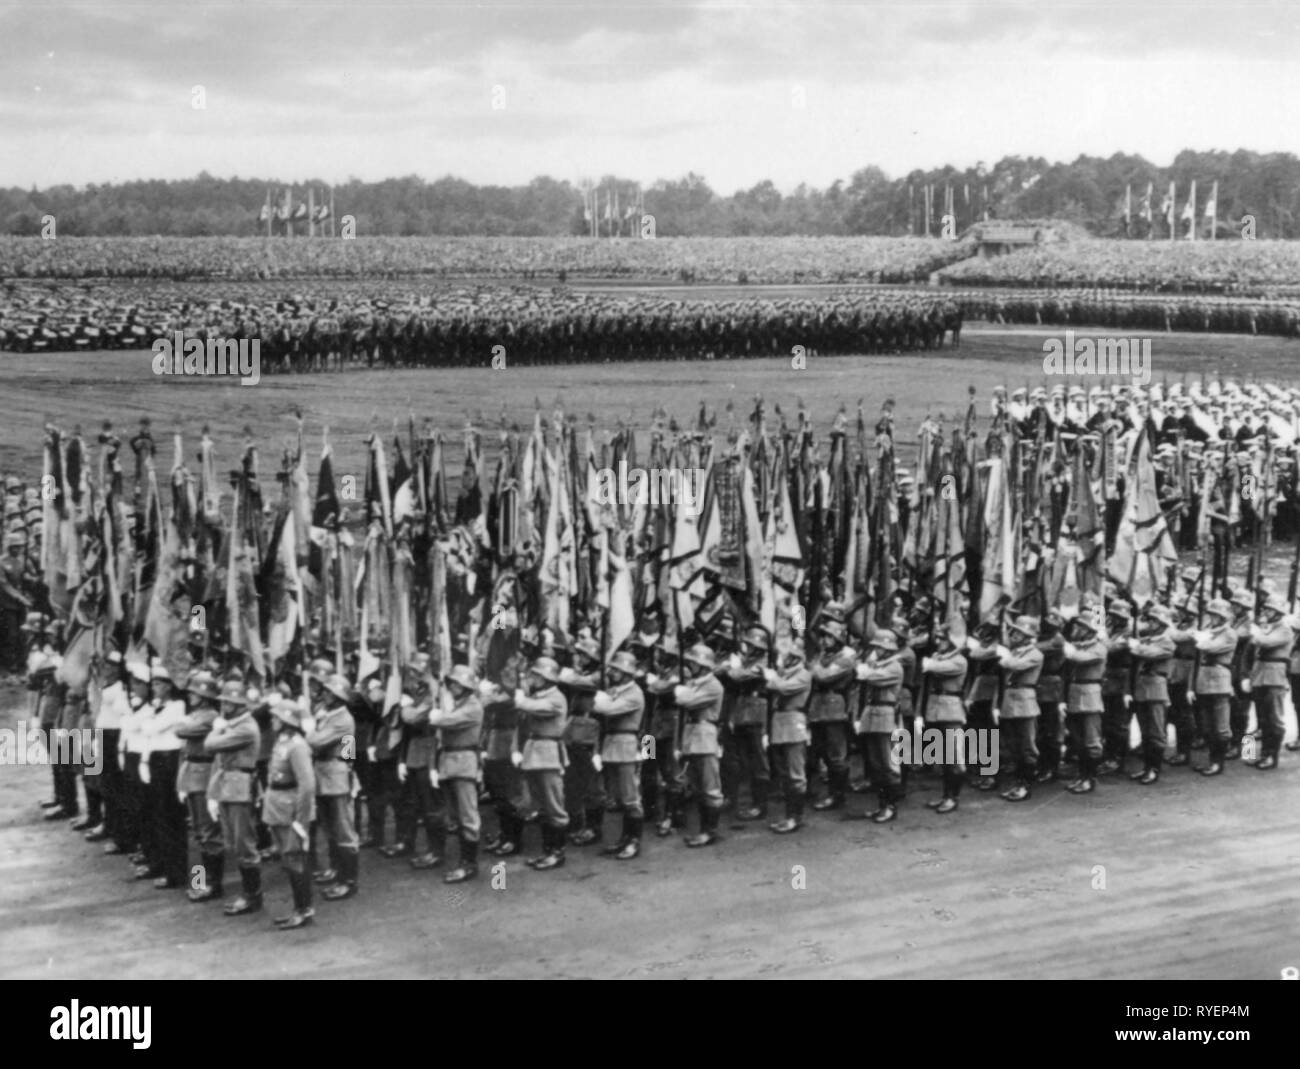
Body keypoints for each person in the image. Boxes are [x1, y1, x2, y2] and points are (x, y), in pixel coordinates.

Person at [204, 679, 264, 915]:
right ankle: (204, 883)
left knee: (242, 843)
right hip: (226, 783)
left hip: (239, 785)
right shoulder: (233, 724)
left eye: (229, 701)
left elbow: (209, 745)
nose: (224, 705)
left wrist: (348, 764)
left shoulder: (245, 727)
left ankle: (251, 895)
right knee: (225, 840)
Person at [262, 695, 317, 930]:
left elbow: (307, 785)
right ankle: (300, 907)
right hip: (279, 804)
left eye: (276, 717)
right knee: (289, 858)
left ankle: (305, 909)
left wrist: (301, 821)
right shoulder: (282, 741)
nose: (272, 720)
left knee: (296, 858)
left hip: (294, 805)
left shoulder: (297, 745)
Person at [306, 665, 361, 900]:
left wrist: (308, 729)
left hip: (333, 774)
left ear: (339, 697)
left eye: (330, 692)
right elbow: (349, 750)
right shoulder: (328, 714)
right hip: (326, 772)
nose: (324, 695)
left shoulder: (342, 719)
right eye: (325, 691)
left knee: (343, 829)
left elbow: (317, 742)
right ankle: (338, 872)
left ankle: (348, 880)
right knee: (330, 828)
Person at [513, 655, 570, 870]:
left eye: (536, 675)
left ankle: (557, 853)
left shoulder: (556, 698)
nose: (532, 678)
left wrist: (521, 698)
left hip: (548, 754)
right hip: (535, 752)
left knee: (554, 804)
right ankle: (548, 851)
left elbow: (535, 707)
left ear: (546, 677)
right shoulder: (537, 695)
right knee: (543, 805)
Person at [430, 664, 485, 883]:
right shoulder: (458, 704)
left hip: (463, 764)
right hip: (451, 763)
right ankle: (465, 860)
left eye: (457, 683)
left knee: (468, 816)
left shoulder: (472, 707)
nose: (453, 686)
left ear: (467, 686)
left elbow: (447, 722)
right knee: (456, 816)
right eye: (451, 683)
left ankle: (469, 864)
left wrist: (436, 715)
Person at [173, 669, 224, 901]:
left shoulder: (210, 716)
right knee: (198, 832)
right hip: (191, 772)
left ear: (204, 696)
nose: (190, 696)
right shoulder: (197, 715)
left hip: (203, 774)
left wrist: (183, 721)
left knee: (207, 832)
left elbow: (181, 729)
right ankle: (199, 881)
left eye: (194, 692)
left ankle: (212, 883)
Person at [136, 663, 188, 889]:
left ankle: (183, 876)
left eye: (159, 684)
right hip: (157, 761)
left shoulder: (177, 707)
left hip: (170, 762)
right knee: (159, 817)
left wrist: (147, 719)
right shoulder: (156, 706)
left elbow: (150, 729)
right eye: (154, 683)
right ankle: (164, 867)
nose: (154, 688)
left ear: (169, 686)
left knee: (173, 820)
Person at [591, 650, 646, 859]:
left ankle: (634, 841)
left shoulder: (634, 693)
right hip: (612, 745)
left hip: (627, 746)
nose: (612, 672)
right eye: (612, 668)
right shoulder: (616, 690)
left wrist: (599, 698)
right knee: (620, 798)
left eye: (617, 669)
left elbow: (608, 710)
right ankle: (625, 838)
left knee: (631, 798)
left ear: (627, 673)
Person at [717, 627, 773, 822]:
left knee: (757, 759)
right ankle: (731, 798)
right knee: (735, 757)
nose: (745, 647)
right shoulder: (743, 661)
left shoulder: (763, 663)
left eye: (749, 645)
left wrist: (731, 668)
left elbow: (737, 676)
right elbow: (718, 671)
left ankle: (760, 804)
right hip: (740, 711)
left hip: (755, 712)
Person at [674, 643, 726, 847]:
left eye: (693, 663)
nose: (689, 666)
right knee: (694, 786)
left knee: (709, 787)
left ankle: (709, 831)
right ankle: (698, 827)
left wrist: (681, 692)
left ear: (703, 666)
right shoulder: (694, 683)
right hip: (689, 736)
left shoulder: (712, 685)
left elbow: (685, 701)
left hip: (704, 737)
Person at [854, 629, 905, 822]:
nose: (877, 650)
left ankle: (891, 806)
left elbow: (868, 676)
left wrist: (866, 667)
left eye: (881, 647)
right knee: (876, 765)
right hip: (872, 715)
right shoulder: (878, 663)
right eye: (876, 647)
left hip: (886, 716)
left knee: (888, 765)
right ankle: (882, 804)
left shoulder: (894, 667)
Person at [807, 618, 857, 811]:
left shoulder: (846, 657)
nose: (824, 640)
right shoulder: (824, 655)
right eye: (823, 636)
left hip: (835, 707)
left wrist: (813, 667)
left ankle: (837, 795)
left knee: (836, 755)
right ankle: (816, 790)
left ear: (837, 638)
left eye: (828, 636)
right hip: (818, 706)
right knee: (817, 751)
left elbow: (824, 676)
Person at [995, 615, 1043, 801]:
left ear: (1028, 637)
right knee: (1014, 746)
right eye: (1014, 631)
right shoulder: (1014, 652)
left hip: (1025, 702)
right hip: (1010, 701)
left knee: (1027, 747)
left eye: (1019, 633)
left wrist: (1004, 656)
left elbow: (1015, 665)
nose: (1014, 635)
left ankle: (1026, 785)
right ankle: (1018, 783)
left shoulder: (1035, 654)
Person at [921, 621, 968, 813]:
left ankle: (952, 797)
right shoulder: (939, 657)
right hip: (937, 709)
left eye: (942, 638)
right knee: (944, 758)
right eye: (937, 637)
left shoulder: (958, 661)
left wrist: (932, 662)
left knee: (954, 759)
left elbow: (933, 667)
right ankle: (945, 795)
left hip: (951, 711)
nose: (937, 641)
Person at [764, 643, 811, 833]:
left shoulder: (803, 674)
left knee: (795, 773)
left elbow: (783, 688)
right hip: (780, 722)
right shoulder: (784, 673)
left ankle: (795, 817)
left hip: (793, 723)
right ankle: (789, 814)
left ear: (794, 658)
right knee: (784, 772)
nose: (780, 660)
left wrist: (772, 677)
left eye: (783, 656)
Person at [1127, 605, 1176, 785]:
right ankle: (1147, 767)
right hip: (1142, 688)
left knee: (1156, 732)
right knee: (1145, 732)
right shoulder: (1147, 639)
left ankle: (1154, 769)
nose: (1151, 623)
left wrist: (1137, 646)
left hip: (1156, 688)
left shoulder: (1167, 642)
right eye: (1150, 620)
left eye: (1155, 620)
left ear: (1162, 623)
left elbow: (1149, 653)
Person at [1062, 611, 1107, 794]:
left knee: (1091, 741)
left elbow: (1078, 658)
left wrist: (1065, 645)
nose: (1075, 630)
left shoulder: (1098, 647)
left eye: (1080, 627)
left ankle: (1090, 777)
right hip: (1075, 695)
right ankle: (1082, 775)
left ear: (1089, 630)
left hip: (1090, 696)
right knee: (1078, 740)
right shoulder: (1078, 645)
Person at [1248, 593, 1293, 770]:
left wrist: (1256, 630)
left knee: (1274, 720)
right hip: (1259, 674)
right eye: (1266, 608)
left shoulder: (1284, 630)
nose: (1265, 611)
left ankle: (1270, 757)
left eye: (1269, 609)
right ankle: (1252, 753)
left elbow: (1264, 642)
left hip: (1275, 676)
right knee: (1259, 718)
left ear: (1278, 612)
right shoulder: (1266, 627)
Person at [1193, 598, 1237, 776]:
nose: (1213, 618)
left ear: (1224, 617)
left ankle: (1218, 762)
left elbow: (1209, 647)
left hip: (1219, 681)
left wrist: (1200, 639)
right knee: (1206, 725)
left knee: (1221, 727)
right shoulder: (1208, 631)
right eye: (1211, 614)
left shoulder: (1229, 634)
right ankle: (1212, 759)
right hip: (1204, 680)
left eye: (1216, 615)